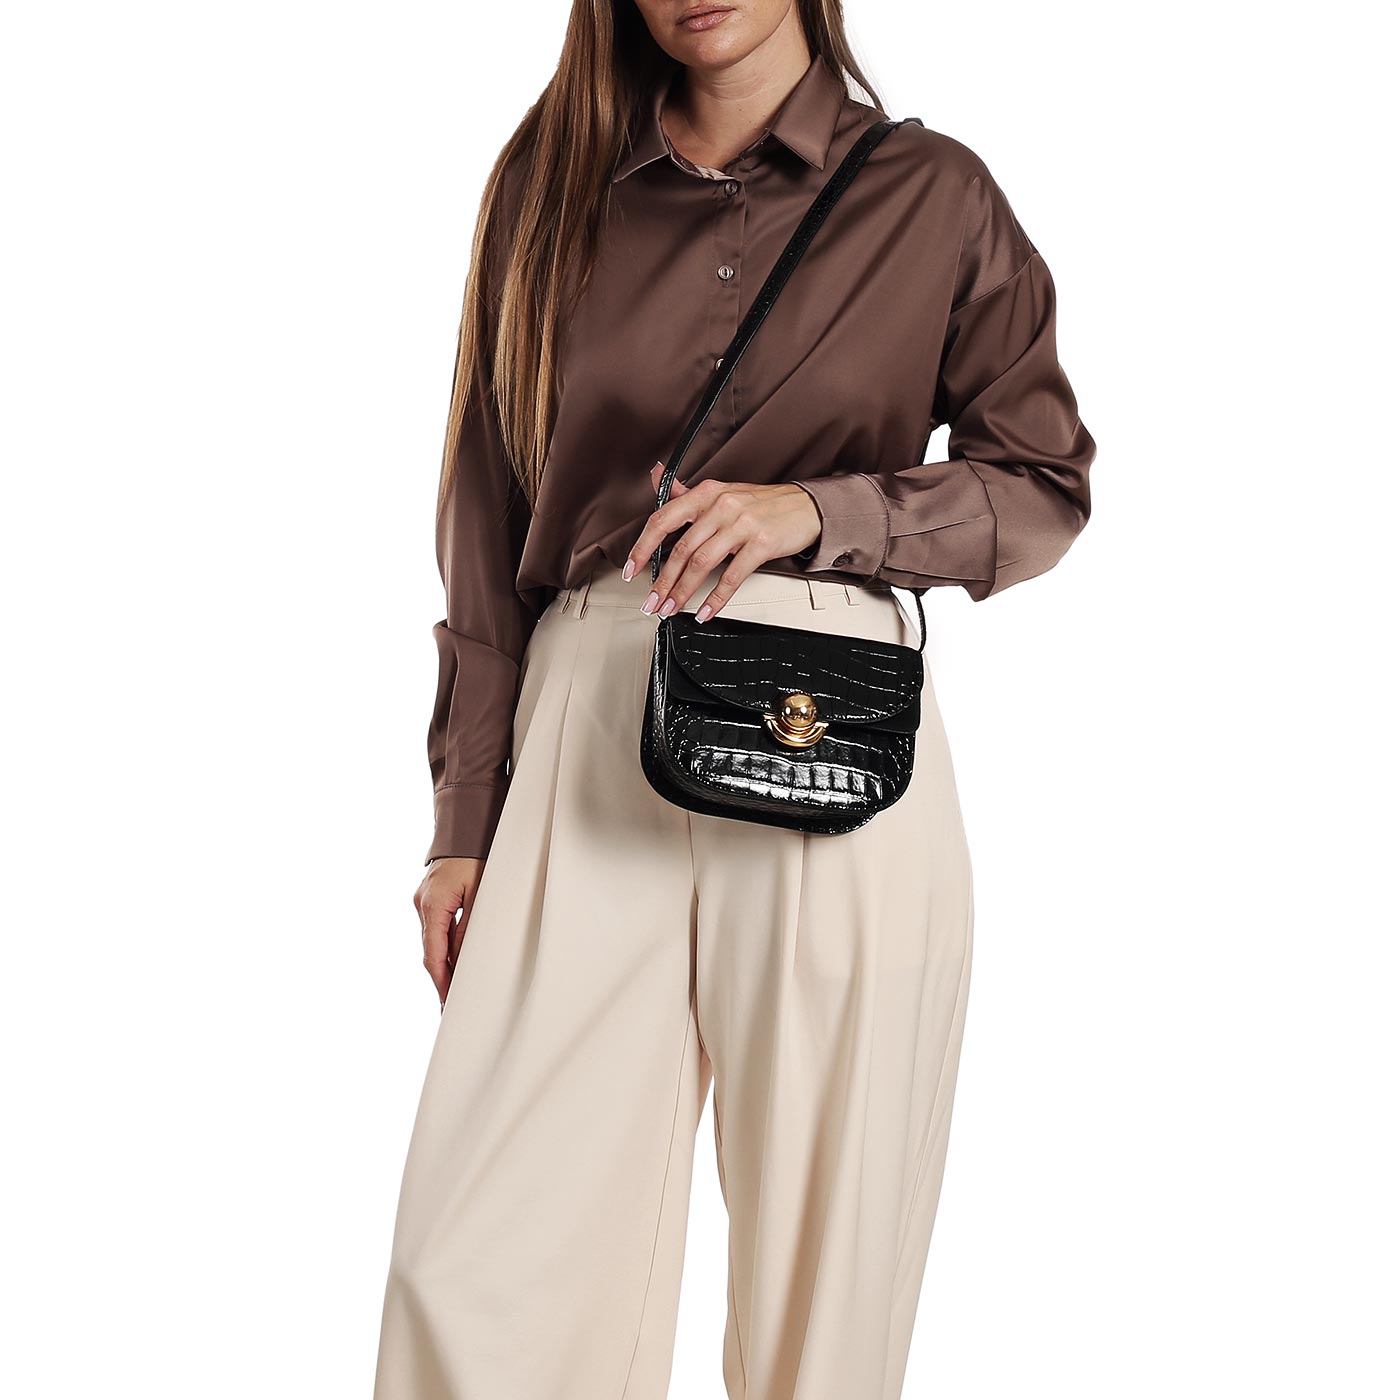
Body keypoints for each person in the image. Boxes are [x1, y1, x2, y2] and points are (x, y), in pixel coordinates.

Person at [374, 2, 1095, 1396]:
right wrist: (463, 824)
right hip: (589, 718)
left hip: (835, 734)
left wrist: (819, 512)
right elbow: (485, 523)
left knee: (824, 1304)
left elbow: (1043, 484)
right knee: (473, 1272)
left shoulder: (931, 192)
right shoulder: (552, 185)